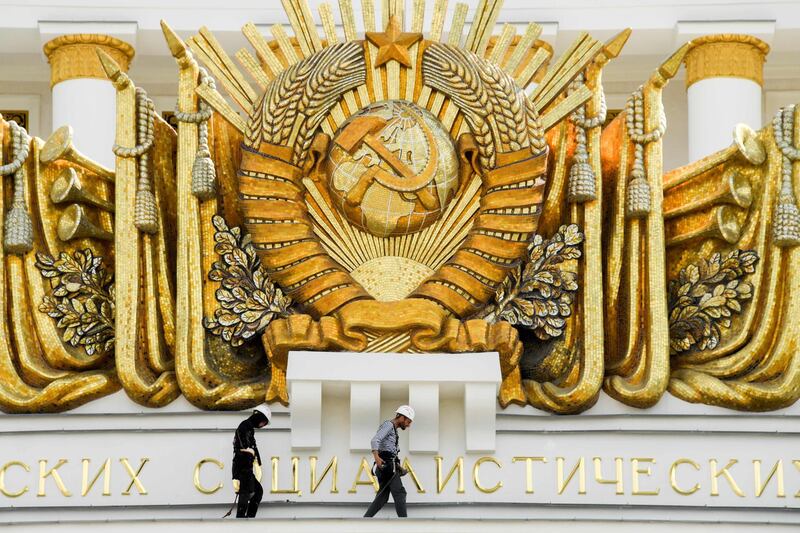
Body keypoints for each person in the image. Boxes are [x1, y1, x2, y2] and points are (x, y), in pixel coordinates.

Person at [363, 405, 415, 518]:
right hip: (385, 465)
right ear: (401, 417)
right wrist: (376, 458)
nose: (408, 425)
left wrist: (399, 468)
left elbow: (390, 451)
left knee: (382, 497)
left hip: (388, 465)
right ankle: (404, 524)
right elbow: (375, 440)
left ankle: (366, 519)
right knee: (400, 493)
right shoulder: (388, 425)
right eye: (408, 421)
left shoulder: (394, 430)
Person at [230, 404, 270, 518]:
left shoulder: (249, 428)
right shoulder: (245, 426)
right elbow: (243, 448)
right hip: (243, 467)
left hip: (246, 467)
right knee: (247, 492)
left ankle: (248, 518)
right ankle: (241, 519)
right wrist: (236, 476)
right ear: (260, 418)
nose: (262, 425)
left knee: (257, 491)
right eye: (264, 422)